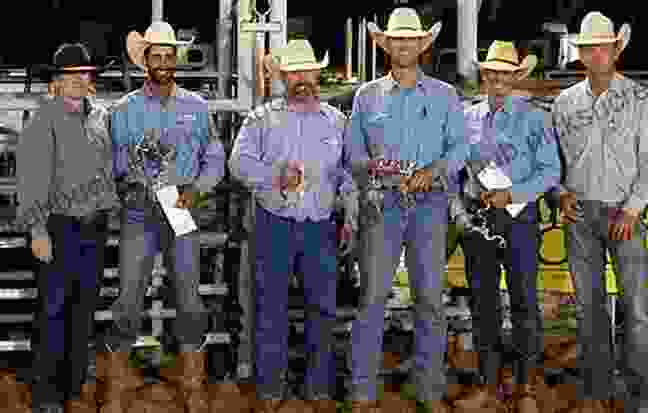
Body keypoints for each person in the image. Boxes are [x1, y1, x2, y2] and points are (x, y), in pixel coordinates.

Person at [344, 7, 468, 413]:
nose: (403, 45)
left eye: (410, 39)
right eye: (397, 39)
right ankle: (363, 390)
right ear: (386, 45)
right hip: (383, 202)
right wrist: (369, 169)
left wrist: (434, 170)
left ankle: (429, 388)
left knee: (430, 297)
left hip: (430, 202)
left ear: (421, 45)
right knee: (373, 296)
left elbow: (460, 149)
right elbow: (354, 152)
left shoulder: (446, 95)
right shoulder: (367, 95)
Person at [100, 21, 226, 413]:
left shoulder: (197, 107)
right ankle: (117, 383)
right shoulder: (122, 111)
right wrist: (120, 189)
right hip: (138, 204)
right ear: (145, 61)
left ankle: (192, 382)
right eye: (157, 56)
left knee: (188, 295)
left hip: (180, 203)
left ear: (176, 60)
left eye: (170, 56)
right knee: (128, 295)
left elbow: (215, 157)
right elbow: (109, 163)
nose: (164, 62)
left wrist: (198, 188)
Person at [229, 39, 358, 413]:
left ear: (318, 73)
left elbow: (348, 175)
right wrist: (274, 175)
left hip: (320, 225)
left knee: (323, 308)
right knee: (270, 306)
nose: (302, 78)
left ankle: (317, 389)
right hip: (275, 224)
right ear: (283, 76)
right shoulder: (260, 118)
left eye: (308, 71)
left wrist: (349, 213)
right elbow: (238, 164)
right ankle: (271, 390)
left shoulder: (338, 121)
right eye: (294, 72)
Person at [552, 12, 648, 413]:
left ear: (615, 49)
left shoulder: (639, 100)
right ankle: (597, 392)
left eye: (603, 46)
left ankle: (642, 397)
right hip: (580, 214)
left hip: (624, 214)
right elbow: (555, 164)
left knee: (636, 311)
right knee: (589, 308)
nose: (596, 54)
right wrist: (561, 194)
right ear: (581, 54)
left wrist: (632, 211)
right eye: (589, 48)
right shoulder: (564, 104)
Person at [450, 40, 561, 412]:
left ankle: (527, 386)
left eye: (504, 72)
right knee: (483, 304)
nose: (497, 77)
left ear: (515, 77)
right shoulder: (466, 116)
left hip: (518, 219)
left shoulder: (535, 117)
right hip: (479, 220)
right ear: (485, 75)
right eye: (492, 71)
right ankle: (488, 384)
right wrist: (465, 200)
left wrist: (512, 194)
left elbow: (551, 171)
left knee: (524, 302)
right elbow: (457, 165)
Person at [16, 43, 119, 413]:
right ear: (56, 82)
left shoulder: (99, 117)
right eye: (70, 76)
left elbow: (108, 169)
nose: (78, 81)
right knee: (53, 308)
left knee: (83, 308)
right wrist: (37, 230)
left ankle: (73, 386)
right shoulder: (42, 121)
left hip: (93, 226)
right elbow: (30, 181)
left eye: (84, 74)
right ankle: (46, 392)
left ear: (91, 79)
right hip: (58, 228)